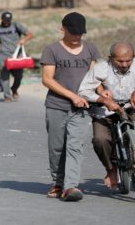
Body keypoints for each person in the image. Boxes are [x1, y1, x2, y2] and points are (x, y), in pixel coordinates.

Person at [41, 12, 101, 202]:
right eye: (73, 33)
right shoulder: (52, 50)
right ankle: (58, 183)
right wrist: (72, 96)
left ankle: (71, 186)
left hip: (82, 107)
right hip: (56, 106)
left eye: (80, 33)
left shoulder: (91, 49)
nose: (77, 37)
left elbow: (95, 77)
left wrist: (101, 91)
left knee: (75, 146)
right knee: (57, 147)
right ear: (63, 29)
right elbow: (47, 80)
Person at [78, 42, 135, 190]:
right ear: (110, 58)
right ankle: (111, 170)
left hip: (130, 107)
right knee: (100, 139)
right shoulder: (101, 68)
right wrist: (103, 99)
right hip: (105, 110)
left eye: (128, 60)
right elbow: (83, 91)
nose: (124, 64)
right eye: (120, 61)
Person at [0, 11, 34, 102]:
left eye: (8, 21)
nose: (6, 22)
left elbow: (30, 34)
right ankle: (7, 96)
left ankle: (14, 89)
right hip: (3, 55)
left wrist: (23, 40)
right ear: (1, 19)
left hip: (16, 56)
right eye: (5, 20)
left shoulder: (16, 25)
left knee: (19, 76)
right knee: (4, 76)